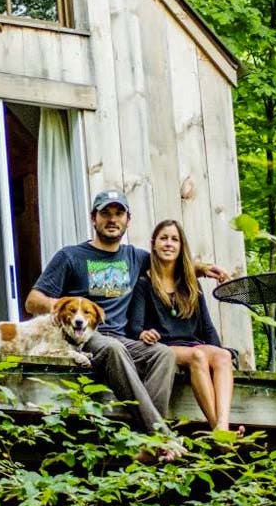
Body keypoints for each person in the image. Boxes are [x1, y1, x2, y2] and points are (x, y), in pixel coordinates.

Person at [25, 190, 228, 460]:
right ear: (93, 218)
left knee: (164, 353)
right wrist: (62, 306)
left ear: (128, 220)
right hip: (85, 337)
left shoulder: (134, 257)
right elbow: (32, 301)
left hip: (123, 338)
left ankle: (147, 443)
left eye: (118, 214)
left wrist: (202, 268)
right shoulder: (71, 256)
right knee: (112, 349)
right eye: (105, 213)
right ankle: (160, 435)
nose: (112, 219)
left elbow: (167, 261)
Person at [127, 219, 243, 436]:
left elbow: (206, 327)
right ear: (153, 244)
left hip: (193, 344)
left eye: (174, 239)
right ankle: (217, 430)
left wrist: (217, 352)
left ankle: (223, 425)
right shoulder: (144, 283)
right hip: (165, 347)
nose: (168, 244)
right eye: (163, 238)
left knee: (223, 356)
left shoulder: (190, 284)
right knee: (198, 356)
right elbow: (134, 327)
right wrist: (144, 333)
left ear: (181, 247)